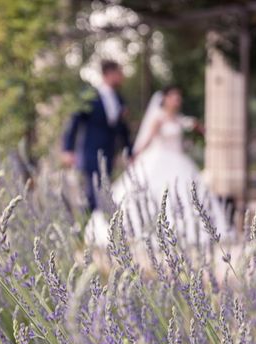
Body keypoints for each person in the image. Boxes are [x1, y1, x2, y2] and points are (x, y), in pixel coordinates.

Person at [85, 85, 232, 245]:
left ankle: (186, 231)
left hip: (179, 161)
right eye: (174, 97)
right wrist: (135, 155)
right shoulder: (159, 118)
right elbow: (147, 139)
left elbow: (195, 128)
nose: (177, 100)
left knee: (187, 195)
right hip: (159, 159)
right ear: (165, 99)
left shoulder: (179, 119)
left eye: (178, 97)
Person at [62, 60, 132, 211]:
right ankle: (89, 228)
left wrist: (129, 151)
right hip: (91, 152)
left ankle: (98, 227)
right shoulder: (90, 96)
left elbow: (123, 129)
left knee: (105, 191)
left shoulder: (119, 99)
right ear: (109, 74)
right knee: (93, 194)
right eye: (119, 73)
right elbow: (74, 123)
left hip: (109, 154)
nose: (122, 77)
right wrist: (68, 149)